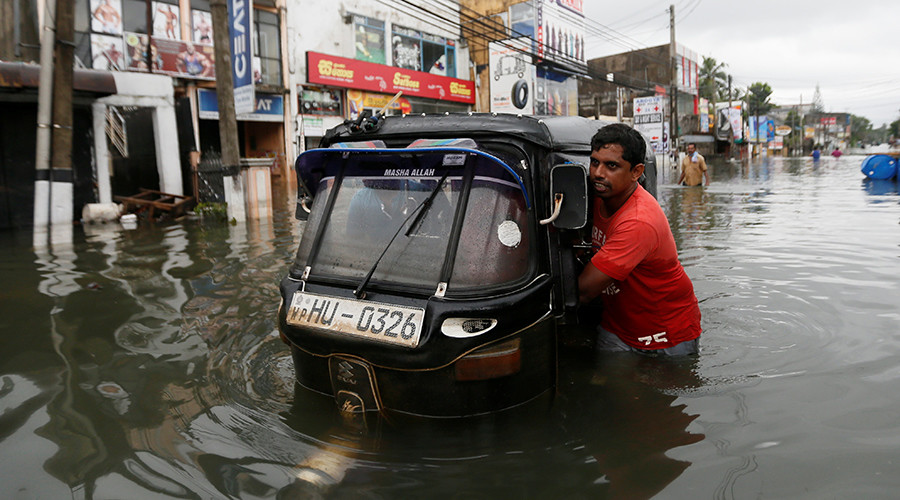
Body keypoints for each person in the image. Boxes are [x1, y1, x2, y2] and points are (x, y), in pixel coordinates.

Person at [578, 123, 702, 356]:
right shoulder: (597, 195)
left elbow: (584, 291)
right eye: (595, 162)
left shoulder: (638, 221)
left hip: (666, 333)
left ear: (636, 172)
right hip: (618, 326)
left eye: (611, 165)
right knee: (610, 387)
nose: (598, 173)